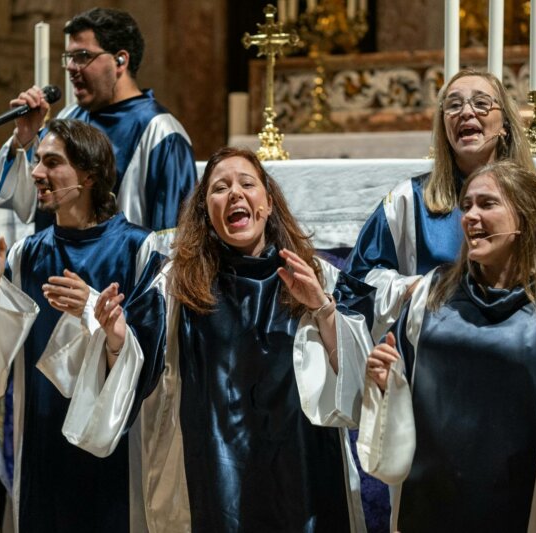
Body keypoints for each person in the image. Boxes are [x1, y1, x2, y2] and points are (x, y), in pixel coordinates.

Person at [44, 147, 374, 531]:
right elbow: (134, 363)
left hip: (301, 468)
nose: (235, 193)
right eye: (220, 188)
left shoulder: (313, 278)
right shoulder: (175, 285)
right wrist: (116, 337)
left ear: (267, 202)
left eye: (247, 184)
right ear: (206, 211)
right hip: (212, 471)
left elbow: (359, 383)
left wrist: (322, 309)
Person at [359, 161, 536, 532]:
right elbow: (399, 395)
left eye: (487, 204)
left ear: (525, 217)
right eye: (466, 206)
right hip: (433, 497)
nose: (470, 217)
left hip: (530, 499)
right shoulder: (431, 296)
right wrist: (386, 382)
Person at [0, 119, 162, 531]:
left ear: (89, 174)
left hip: (115, 443)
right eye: (37, 161)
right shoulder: (23, 256)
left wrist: (98, 315)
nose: (36, 173)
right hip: (41, 437)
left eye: (51, 162)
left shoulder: (140, 250)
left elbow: (154, 360)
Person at [346, 69, 536, 341]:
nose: (466, 112)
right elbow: (355, 285)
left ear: (505, 126)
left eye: (481, 103)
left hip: (520, 353)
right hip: (438, 350)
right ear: (444, 127)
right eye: (453, 105)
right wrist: (417, 288)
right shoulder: (410, 200)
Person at [0, 7, 196, 248]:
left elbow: (172, 239)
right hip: (54, 268)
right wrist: (25, 137)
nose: (71, 67)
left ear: (121, 60)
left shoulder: (161, 132)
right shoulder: (69, 118)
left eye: (83, 56)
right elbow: (21, 207)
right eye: (70, 57)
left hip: (121, 280)